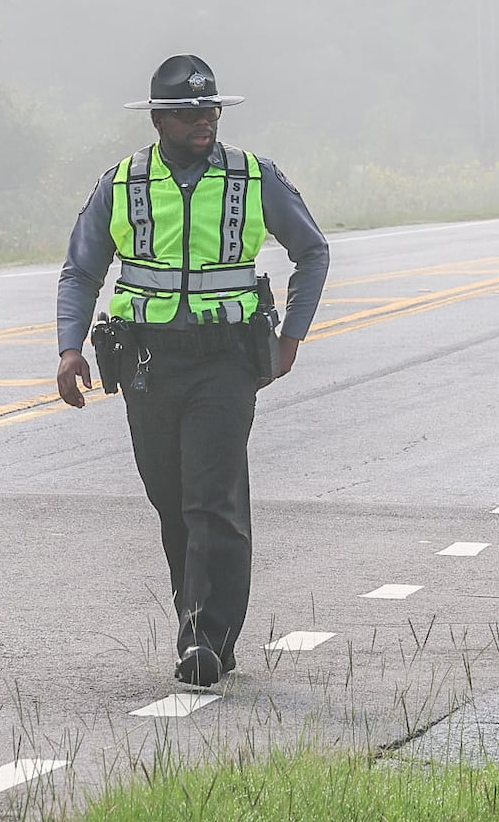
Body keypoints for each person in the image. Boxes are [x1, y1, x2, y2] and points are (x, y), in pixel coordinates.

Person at [56, 55, 330, 689]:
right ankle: (205, 628)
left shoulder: (252, 177)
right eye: (190, 113)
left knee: (211, 499)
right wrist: (70, 347)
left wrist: (292, 335)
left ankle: (202, 636)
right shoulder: (120, 184)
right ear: (159, 119)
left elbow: (312, 250)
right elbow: (82, 269)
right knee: (171, 501)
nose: (205, 121)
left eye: (212, 111)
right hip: (148, 363)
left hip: (226, 363)